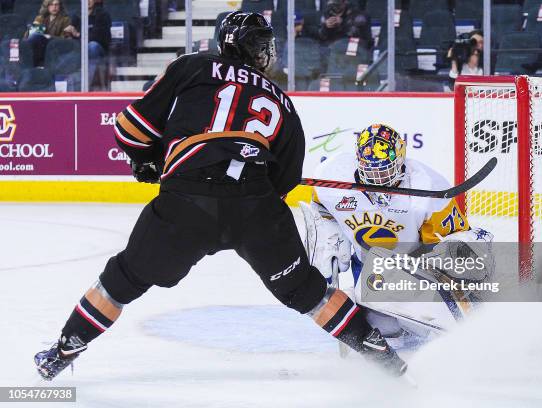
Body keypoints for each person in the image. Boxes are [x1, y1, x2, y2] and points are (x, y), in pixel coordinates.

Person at [34, 12, 408, 381]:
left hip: (187, 202)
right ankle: (385, 359)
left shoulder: (192, 66)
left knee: (122, 280)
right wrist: (248, 201)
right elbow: (287, 179)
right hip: (256, 206)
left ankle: (61, 352)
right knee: (307, 292)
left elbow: (130, 129)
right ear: (256, 50)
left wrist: (152, 162)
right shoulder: (282, 101)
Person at [301, 124, 494, 349]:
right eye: (371, 171)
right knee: (375, 334)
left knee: (430, 328)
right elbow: (321, 207)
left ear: (401, 160)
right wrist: (328, 235)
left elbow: (455, 238)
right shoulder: (332, 176)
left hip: (416, 270)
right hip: (367, 272)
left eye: (384, 170)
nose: (378, 179)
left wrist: (454, 260)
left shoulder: (428, 186)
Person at [70, 0, 112, 88]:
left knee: (92, 46)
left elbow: (97, 37)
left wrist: (78, 34)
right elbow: (72, 34)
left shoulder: (102, 14)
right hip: (80, 49)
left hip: (99, 49)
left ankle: (84, 85)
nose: (88, 1)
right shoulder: (77, 15)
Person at [25, 0, 78, 67]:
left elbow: (64, 40)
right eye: (51, 5)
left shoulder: (66, 19)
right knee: (20, 43)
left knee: (35, 37)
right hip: (39, 45)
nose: (54, 7)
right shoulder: (40, 18)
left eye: (56, 4)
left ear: (60, 6)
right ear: (47, 6)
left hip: (54, 46)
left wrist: (48, 36)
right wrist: (32, 29)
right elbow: (30, 35)